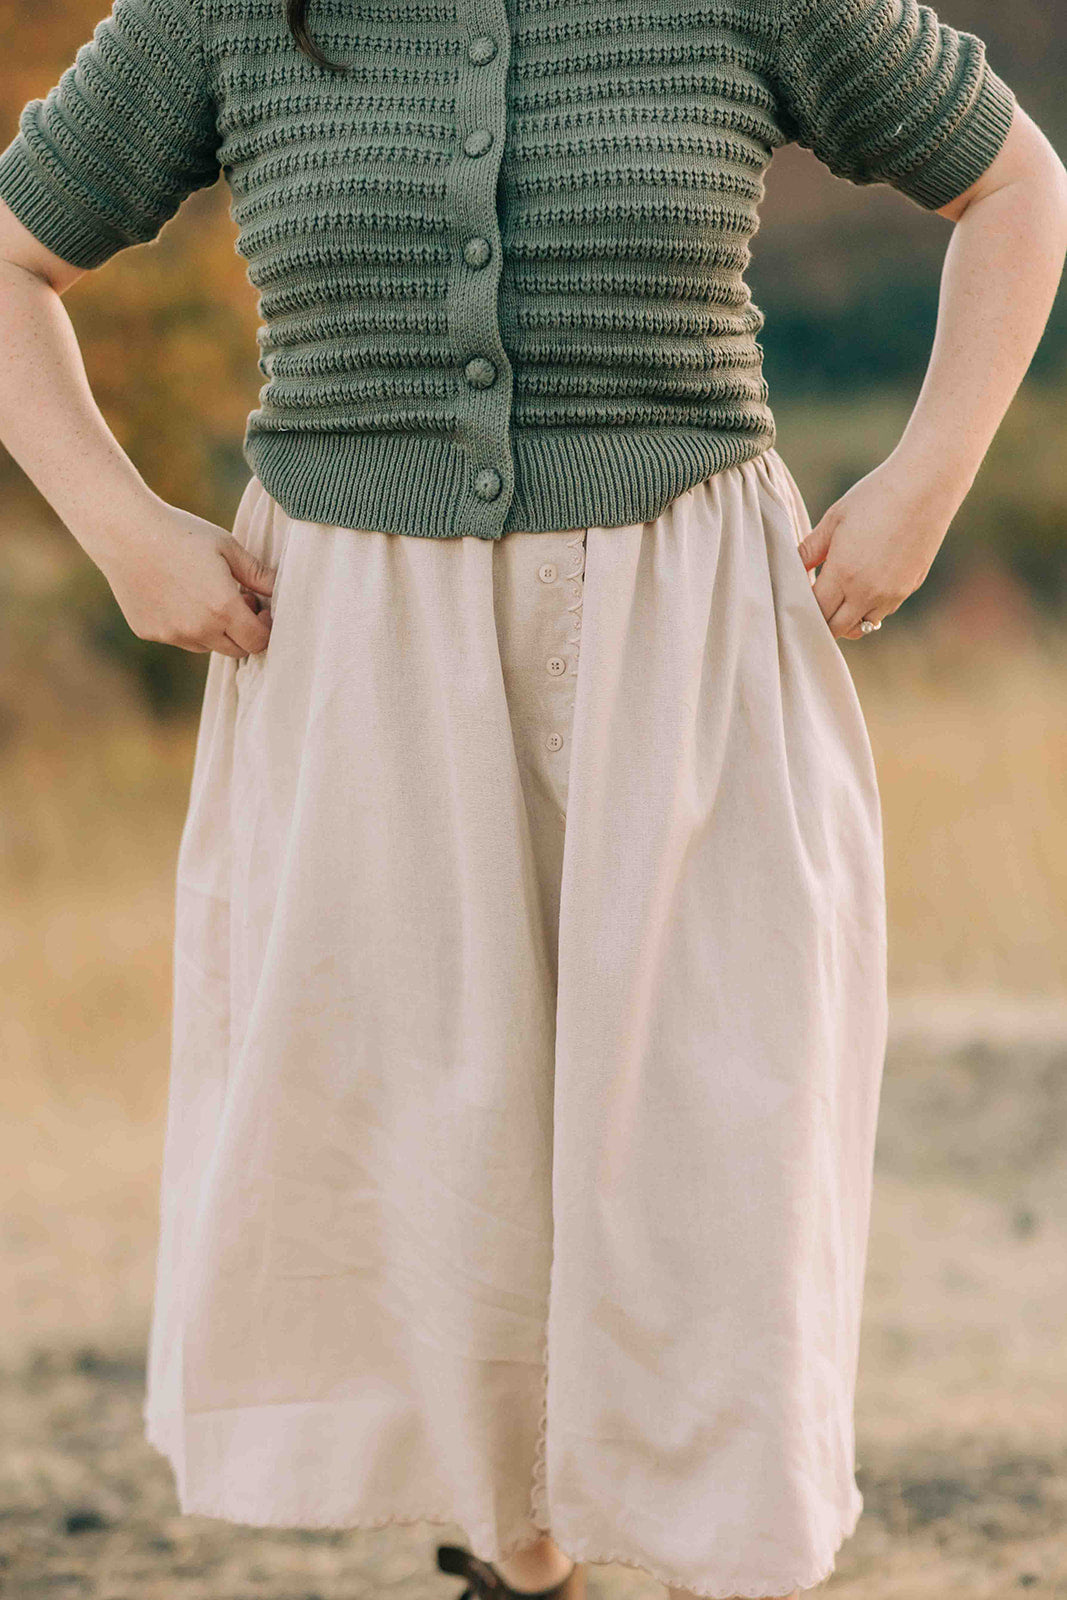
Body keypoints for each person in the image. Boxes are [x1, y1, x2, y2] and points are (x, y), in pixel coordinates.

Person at [0, 2, 1064, 1597]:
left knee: (714, 1133)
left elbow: (1018, 187)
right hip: (359, 650)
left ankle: (694, 1546)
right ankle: (519, 1562)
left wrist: (926, 477)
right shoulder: (225, 11)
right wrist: (113, 519)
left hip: (685, 630)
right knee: (432, 1154)